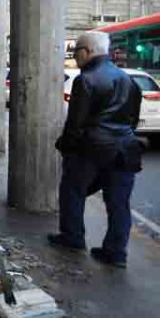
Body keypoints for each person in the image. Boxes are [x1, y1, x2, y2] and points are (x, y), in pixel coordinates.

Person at [49, 31, 144, 268]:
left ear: (88, 51)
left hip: (91, 149)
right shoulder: (128, 80)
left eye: (76, 51)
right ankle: (116, 252)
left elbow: (75, 124)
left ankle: (72, 237)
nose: (74, 56)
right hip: (124, 150)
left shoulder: (86, 79)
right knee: (119, 203)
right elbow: (132, 120)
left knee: (72, 190)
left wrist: (66, 147)